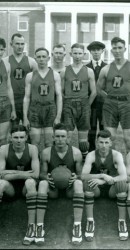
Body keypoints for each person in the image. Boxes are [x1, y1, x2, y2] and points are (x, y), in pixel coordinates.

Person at [37, 123, 84, 245]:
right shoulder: (46, 152)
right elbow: (41, 174)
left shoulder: (76, 153)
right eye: (57, 136)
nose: (60, 139)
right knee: (42, 184)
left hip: (69, 189)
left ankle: (77, 226)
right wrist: (46, 177)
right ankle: (39, 226)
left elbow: (81, 175)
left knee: (78, 183)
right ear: (52, 137)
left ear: (68, 137)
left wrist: (75, 177)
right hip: (53, 188)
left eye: (63, 136)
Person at [81, 129, 128, 242]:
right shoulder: (91, 155)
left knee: (122, 184)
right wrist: (101, 175)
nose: (103, 145)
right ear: (97, 142)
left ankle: (122, 222)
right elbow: (83, 176)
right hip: (96, 190)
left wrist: (104, 181)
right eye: (101, 142)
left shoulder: (117, 155)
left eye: (106, 142)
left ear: (111, 143)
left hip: (112, 189)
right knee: (87, 183)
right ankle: (90, 221)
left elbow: (124, 177)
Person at [0, 125, 40, 245]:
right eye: (15, 137)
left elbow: (36, 174)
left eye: (21, 137)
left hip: (26, 189)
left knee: (30, 182)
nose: (18, 140)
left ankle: (31, 226)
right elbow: (1, 174)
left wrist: (10, 172)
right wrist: (25, 174)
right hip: (10, 188)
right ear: (10, 138)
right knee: (0, 183)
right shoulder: (3, 149)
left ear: (26, 137)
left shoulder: (32, 149)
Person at [61, 43, 96, 161]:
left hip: (84, 104)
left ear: (84, 54)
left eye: (80, 53)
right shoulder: (65, 70)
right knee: (68, 135)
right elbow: (60, 91)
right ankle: (68, 160)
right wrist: (66, 103)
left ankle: (84, 162)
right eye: (75, 53)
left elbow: (94, 92)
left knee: (83, 138)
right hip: (68, 104)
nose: (77, 56)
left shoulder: (89, 71)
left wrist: (87, 105)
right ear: (71, 54)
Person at [23, 47, 62, 152]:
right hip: (35, 109)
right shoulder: (30, 76)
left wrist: (58, 116)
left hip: (50, 109)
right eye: (39, 57)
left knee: (49, 142)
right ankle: (36, 166)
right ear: (35, 58)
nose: (41, 59)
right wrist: (25, 117)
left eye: (43, 56)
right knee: (35, 142)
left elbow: (59, 96)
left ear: (48, 58)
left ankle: (47, 165)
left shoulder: (55, 75)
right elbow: (26, 97)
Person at [97, 37, 130, 153]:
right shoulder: (106, 69)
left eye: (120, 48)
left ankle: (128, 167)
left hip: (127, 104)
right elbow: (98, 88)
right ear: (111, 51)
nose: (117, 51)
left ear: (125, 49)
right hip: (110, 105)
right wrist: (109, 98)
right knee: (110, 139)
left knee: (128, 139)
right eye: (114, 48)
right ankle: (113, 167)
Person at [4, 33, 38, 125]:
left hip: (26, 100)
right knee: (11, 130)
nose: (20, 46)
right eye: (17, 44)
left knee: (28, 129)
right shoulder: (5, 61)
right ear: (11, 44)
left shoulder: (31, 61)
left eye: (22, 44)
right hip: (11, 100)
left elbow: (37, 83)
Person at [87, 41, 107, 152]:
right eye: (93, 50)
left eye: (98, 50)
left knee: (104, 129)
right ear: (90, 52)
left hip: (104, 105)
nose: (96, 52)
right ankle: (91, 152)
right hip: (92, 105)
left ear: (102, 51)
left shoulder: (108, 67)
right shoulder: (85, 68)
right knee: (92, 129)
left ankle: (104, 152)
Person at [0, 37, 16, 146]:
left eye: (1, 49)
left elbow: (9, 87)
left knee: (3, 138)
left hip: (5, 103)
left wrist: (13, 109)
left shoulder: (6, 64)